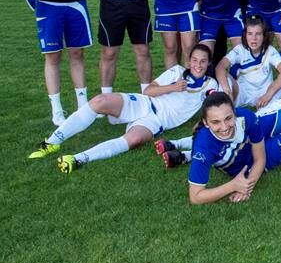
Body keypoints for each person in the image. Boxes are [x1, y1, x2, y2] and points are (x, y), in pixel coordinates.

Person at [31, 44, 219, 173]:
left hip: (157, 121)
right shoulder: (177, 71)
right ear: (189, 61)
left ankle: (78, 159)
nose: (198, 65)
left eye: (203, 61)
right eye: (194, 60)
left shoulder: (210, 84)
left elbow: (216, 104)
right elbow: (149, 90)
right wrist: (172, 87)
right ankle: (51, 143)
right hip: (144, 103)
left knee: (134, 140)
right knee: (99, 101)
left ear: (209, 63)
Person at [187, 92, 281, 204]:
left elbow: (259, 158)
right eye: (216, 122)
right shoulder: (203, 147)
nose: (224, 127)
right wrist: (235, 185)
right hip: (246, 164)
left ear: (235, 113)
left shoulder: (246, 116)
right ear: (206, 122)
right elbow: (196, 197)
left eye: (228, 118)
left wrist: (243, 188)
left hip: (253, 138)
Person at [215, 16, 281, 108]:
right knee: (224, 78)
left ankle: (266, 107)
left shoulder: (270, 50)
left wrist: (268, 94)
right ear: (245, 35)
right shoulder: (239, 50)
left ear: (264, 36)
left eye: (258, 34)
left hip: (265, 92)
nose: (254, 38)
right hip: (242, 93)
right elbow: (220, 67)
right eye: (250, 34)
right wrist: (227, 91)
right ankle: (226, 107)